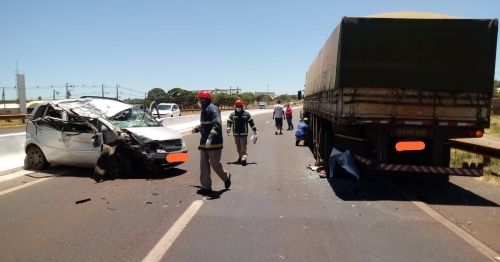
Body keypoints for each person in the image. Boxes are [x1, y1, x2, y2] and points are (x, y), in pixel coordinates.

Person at [191, 91, 231, 193]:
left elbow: (217, 124)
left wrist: (210, 137)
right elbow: (205, 125)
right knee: (204, 166)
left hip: (214, 143)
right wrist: (197, 129)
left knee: (214, 164)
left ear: (203, 99)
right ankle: (206, 187)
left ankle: (226, 177)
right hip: (204, 143)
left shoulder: (213, 109)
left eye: (199, 99)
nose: (198, 101)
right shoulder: (204, 110)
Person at [227, 99, 257, 166]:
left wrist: (254, 130)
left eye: (239, 106)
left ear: (242, 106)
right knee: (238, 146)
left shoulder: (246, 114)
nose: (238, 108)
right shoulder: (232, 114)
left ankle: (244, 157)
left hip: (244, 133)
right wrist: (228, 130)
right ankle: (240, 156)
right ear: (235, 106)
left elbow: (251, 122)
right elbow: (229, 122)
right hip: (236, 133)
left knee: (243, 146)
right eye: (237, 106)